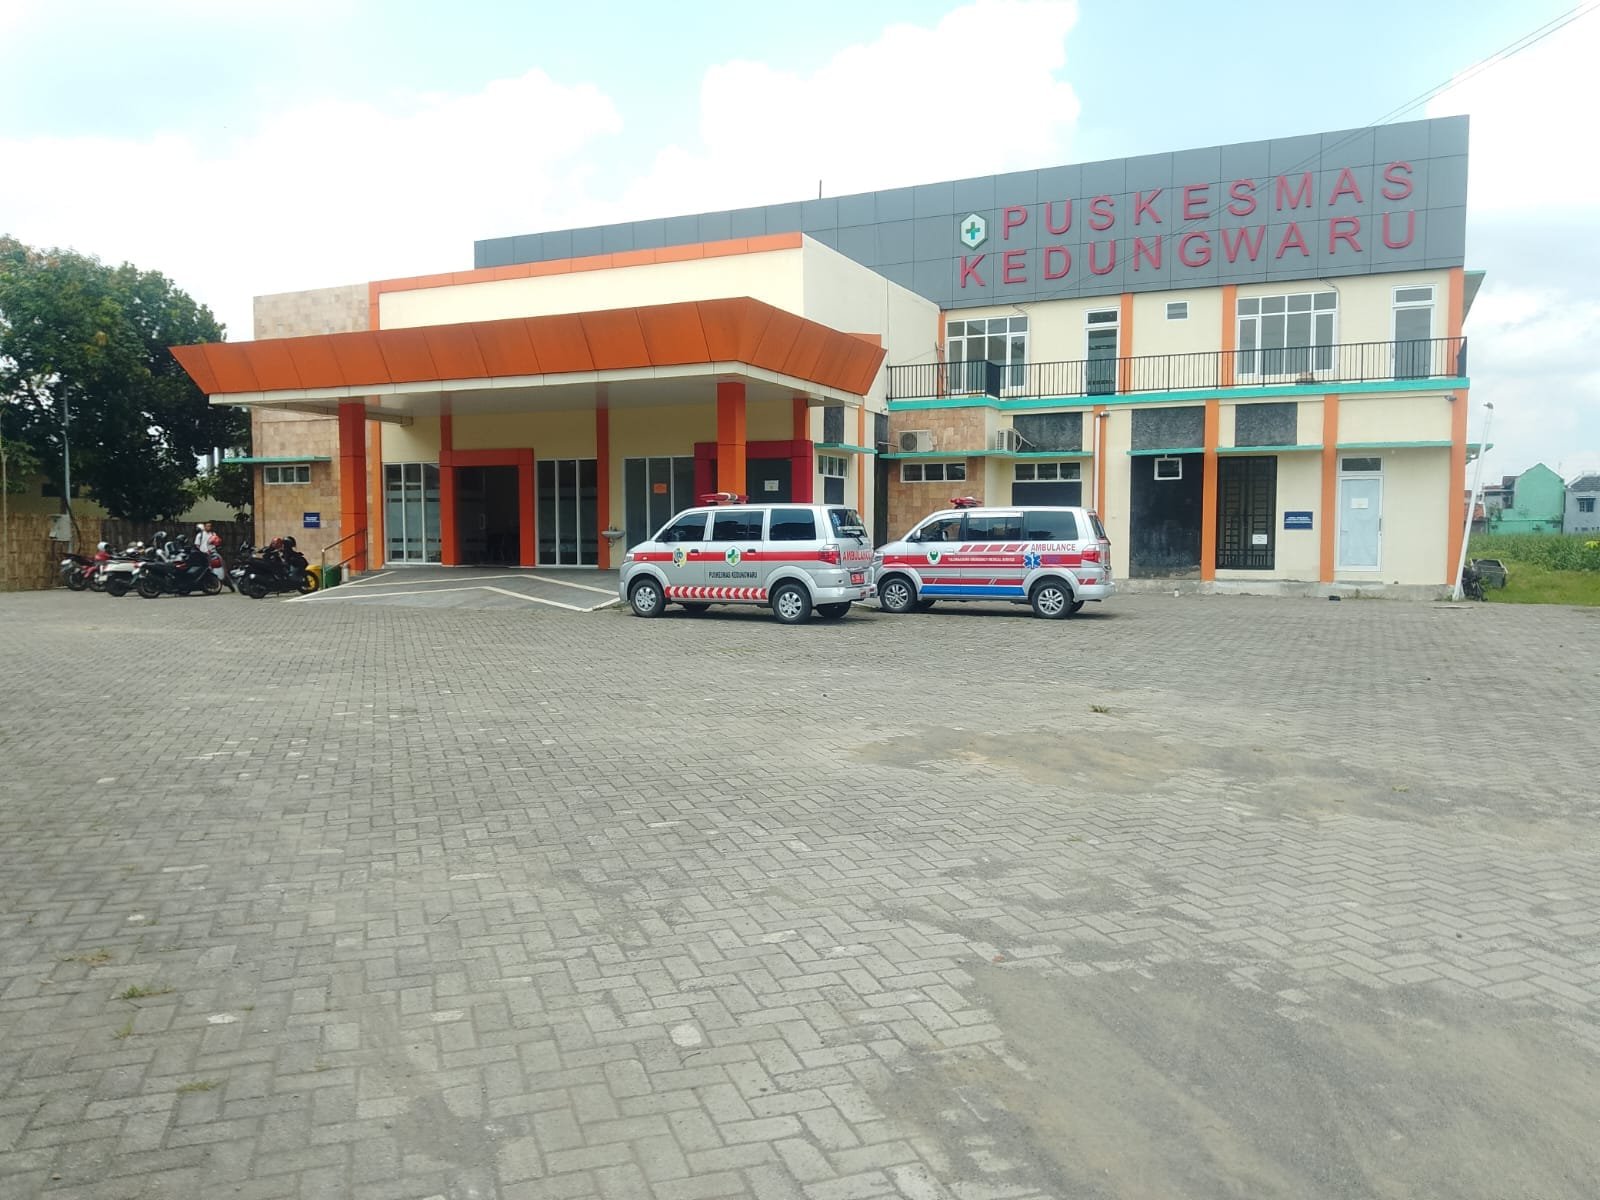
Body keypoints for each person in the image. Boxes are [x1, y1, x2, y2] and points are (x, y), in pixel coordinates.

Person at [195, 522, 232, 592]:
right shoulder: (200, 535)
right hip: (203, 554)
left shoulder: (213, 534)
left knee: (221, 565)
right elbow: (197, 545)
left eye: (210, 526)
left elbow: (218, 542)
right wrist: (201, 551)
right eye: (207, 526)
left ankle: (227, 582)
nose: (209, 527)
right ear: (204, 527)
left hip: (213, 553)